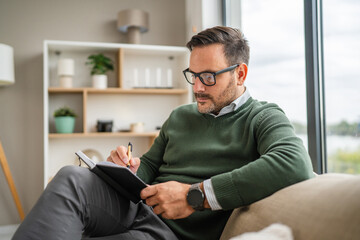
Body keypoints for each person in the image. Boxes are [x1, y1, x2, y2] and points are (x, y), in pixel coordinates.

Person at [13, 26, 314, 240]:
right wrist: (128, 168)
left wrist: (194, 196)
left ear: (240, 73)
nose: (197, 88)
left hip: (169, 232)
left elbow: (294, 163)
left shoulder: (263, 116)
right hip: (136, 206)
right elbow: (149, 167)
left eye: (208, 77)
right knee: (71, 177)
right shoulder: (180, 116)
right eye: (193, 76)